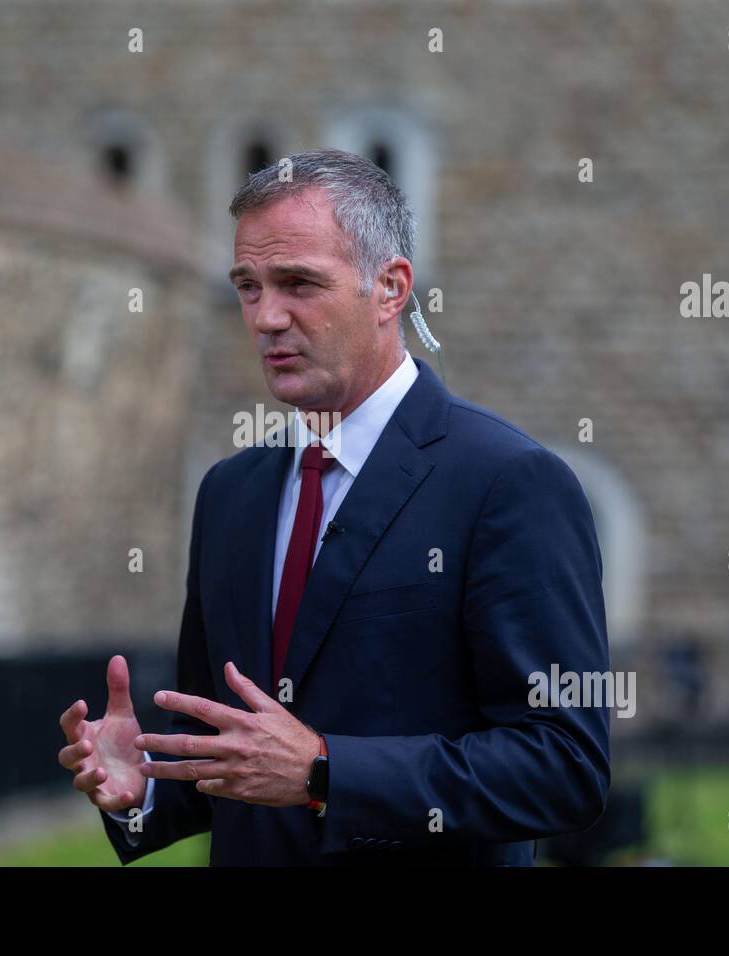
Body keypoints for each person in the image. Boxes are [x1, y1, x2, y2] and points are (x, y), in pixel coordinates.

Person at [58, 147, 611, 865]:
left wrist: (326, 771)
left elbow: (564, 766)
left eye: (297, 283)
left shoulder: (508, 482)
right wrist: (144, 789)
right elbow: (240, 755)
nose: (265, 317)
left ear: (390, 288)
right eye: (248, 287)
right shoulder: (230, 493)